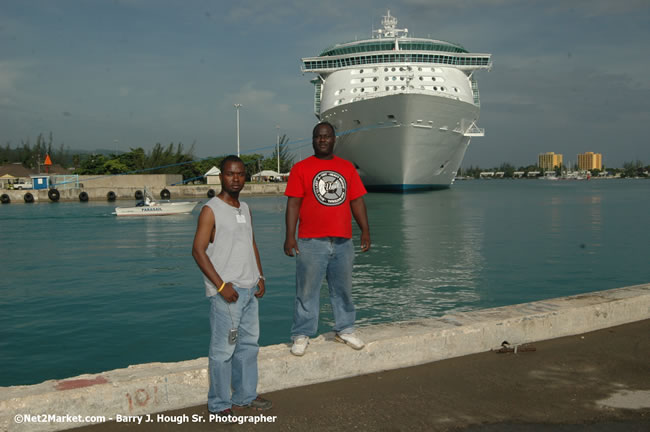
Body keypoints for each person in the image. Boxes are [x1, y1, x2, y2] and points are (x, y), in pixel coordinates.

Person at [192, 155, 272, 418]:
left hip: (249, 290)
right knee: (223, 350)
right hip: (228, 293)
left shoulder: (245, 208)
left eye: (240, 174)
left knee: (249, 345)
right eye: (230, 174)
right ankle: (218, 404)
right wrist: (221, 285)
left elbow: (252, 244)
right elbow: (198, 251)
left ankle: (245, 395)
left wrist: (260, 276)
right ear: (221, 177)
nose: (235, 178)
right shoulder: (211, 210)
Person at [284, 121, 371, 356]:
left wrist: (365, 229)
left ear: (334, 139)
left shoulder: (347, 168)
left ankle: (345, 328)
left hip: (343, 241)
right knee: (306, 291)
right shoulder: (300, 168)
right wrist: (289, 237)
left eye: (327, 136)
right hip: (310, 241)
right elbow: (293, 203)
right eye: (318, 137)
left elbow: (356, 201)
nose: (322, 140)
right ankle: (301, 334)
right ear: (313, 140)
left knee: (343, 289)